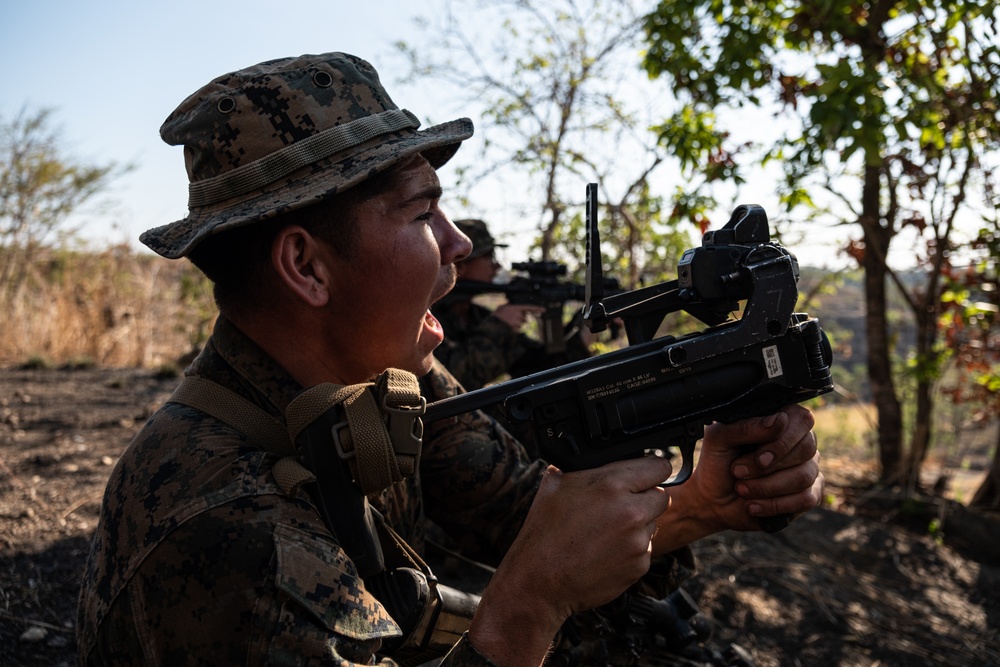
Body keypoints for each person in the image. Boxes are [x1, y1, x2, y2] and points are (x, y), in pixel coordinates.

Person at [76, 52, 824, 667]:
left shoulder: (386, 383)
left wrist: (703, 501)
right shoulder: (223, 529)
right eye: (421, 211)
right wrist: (524, 611)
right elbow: (538, 578)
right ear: (306, 267)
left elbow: (527, 514)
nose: (461, 247)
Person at [431, 219, 592, 393]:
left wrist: (588, 327)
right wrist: (499, 325)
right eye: (489, 256)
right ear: (460, 264)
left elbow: (540, 369)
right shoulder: (427, 316)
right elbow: (449, 381)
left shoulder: (476, 315)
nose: (497, 265)